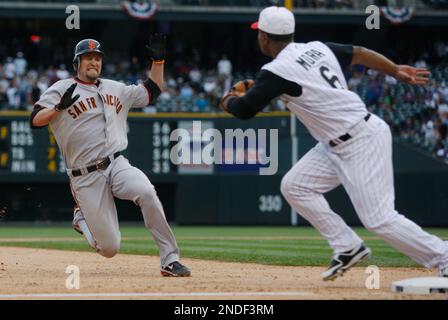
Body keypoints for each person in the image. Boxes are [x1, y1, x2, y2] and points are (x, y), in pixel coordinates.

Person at [220, 6, 448, 280]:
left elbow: (244, 110)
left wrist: (228, 99)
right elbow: (360, 53)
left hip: (360, 140)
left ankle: (443, 256)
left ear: (265, 39)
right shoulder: (318, 48)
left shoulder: (276, 70)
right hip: (335, 142)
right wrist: (394, 69)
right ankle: (347, 246)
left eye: (260, 34)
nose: (259, 39)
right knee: (295, 186)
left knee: (380, 218)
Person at [30, 37, 190, 277]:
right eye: (88, 58)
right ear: (77, 63)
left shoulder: (116, 88)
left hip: (116, 163)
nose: (94, 62)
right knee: (110, 248)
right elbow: (34, 120)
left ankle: (170, 259)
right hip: (84, 176)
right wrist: (57, 109)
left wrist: (158, 61)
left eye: (97, 58)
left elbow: (152, 91)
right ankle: (81, 218)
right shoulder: (62, 88)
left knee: (146, 191)